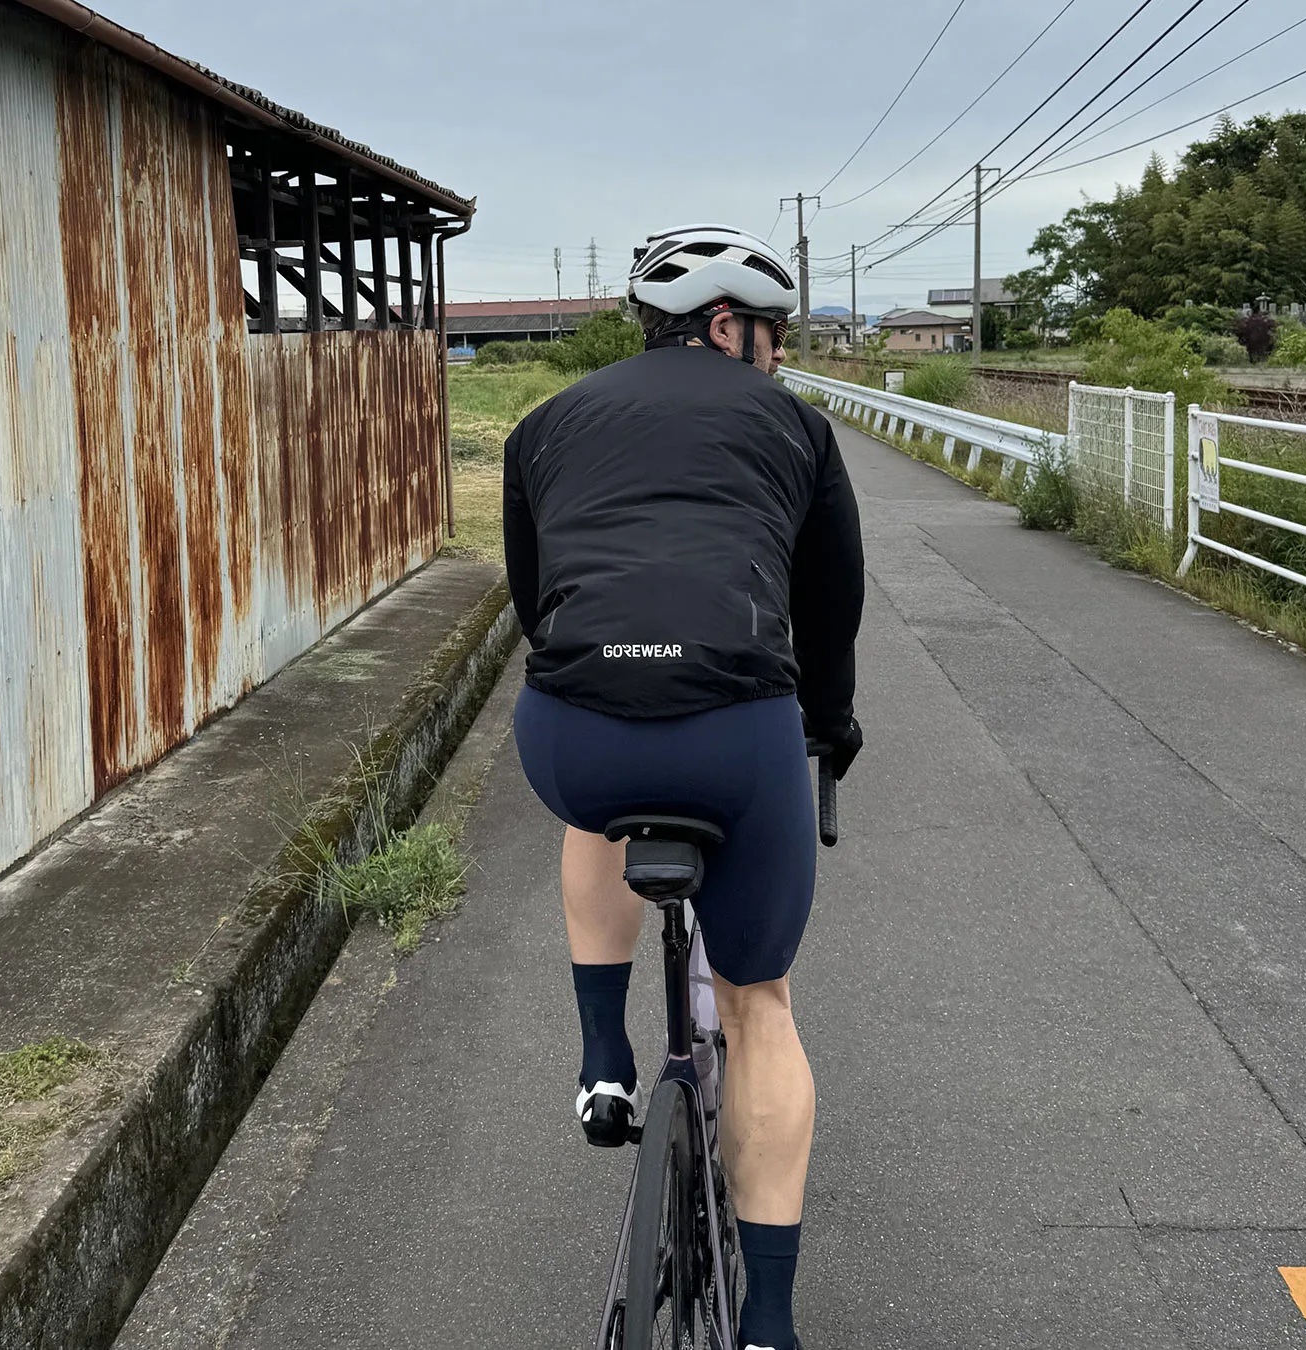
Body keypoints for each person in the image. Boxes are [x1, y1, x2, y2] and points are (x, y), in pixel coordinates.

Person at [502, 223, 865, 1350]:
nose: (779, 356)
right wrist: (828, 728)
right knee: (760, 1008)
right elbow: (831, 604)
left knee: (590, 814)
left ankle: (604, 1058)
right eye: (771, 334)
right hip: (734, 734)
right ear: (725, 325)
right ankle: (768, 1323)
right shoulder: (796, 427)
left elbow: (534, 595)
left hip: (576, 732)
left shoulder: (543, 424)